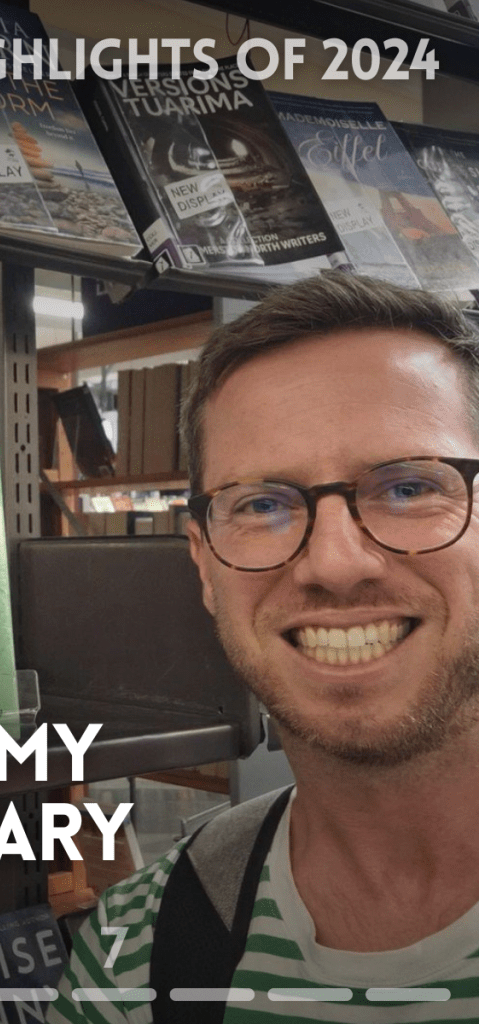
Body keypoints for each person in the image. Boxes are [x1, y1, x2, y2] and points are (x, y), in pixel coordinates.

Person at [46, 271, 479, 1022]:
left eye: (409, 487)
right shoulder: (135, 957)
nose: (336, 564)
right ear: (204, 566)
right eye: (262, 505)